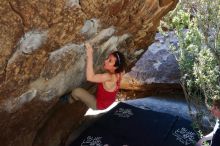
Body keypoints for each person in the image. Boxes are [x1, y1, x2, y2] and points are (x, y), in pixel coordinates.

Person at [70, 43, 126, 110]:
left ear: (115, 67)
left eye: (110, 61)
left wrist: (90, 53)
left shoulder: (108, 77)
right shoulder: (120, 72)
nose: (105, 61)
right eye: (108, 58)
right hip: (107, 100)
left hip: (98, 105)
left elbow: (90, 77)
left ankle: (70, 100)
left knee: (76, 91)